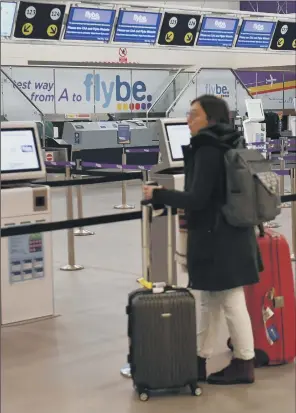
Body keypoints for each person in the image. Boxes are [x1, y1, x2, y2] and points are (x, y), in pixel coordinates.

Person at [143, 95, 262, 385]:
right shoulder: (232, 142)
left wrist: (157, 195)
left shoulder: (207, 148)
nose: (188, 119)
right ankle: (199, 358)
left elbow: (198, 198)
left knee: (230, 299)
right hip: (233, 233)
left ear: (209, 119)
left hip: (216, 237)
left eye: (193, 114)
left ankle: (244, 361)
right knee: (211, 299)